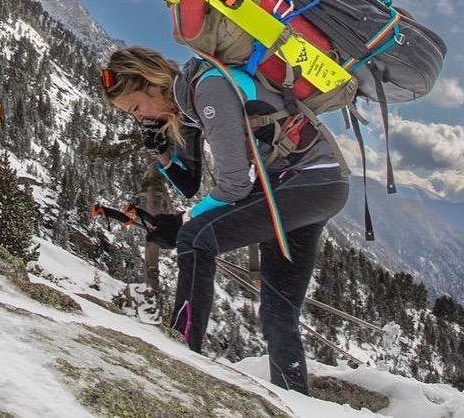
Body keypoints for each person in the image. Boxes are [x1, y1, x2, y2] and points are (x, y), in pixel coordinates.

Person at [101, 45, 349, 395]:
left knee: (196, 238)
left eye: (137, 108)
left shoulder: (209, 89)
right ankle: (296, 401)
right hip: (313, 183)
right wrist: (161, 151)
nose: (138, 118)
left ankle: (181, 353)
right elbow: (189, 183)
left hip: (302, 182)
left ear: (154, 82)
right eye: (130, 115)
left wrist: (184, 221)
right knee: (278, 312)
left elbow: (233, 186)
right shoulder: (189, 100)